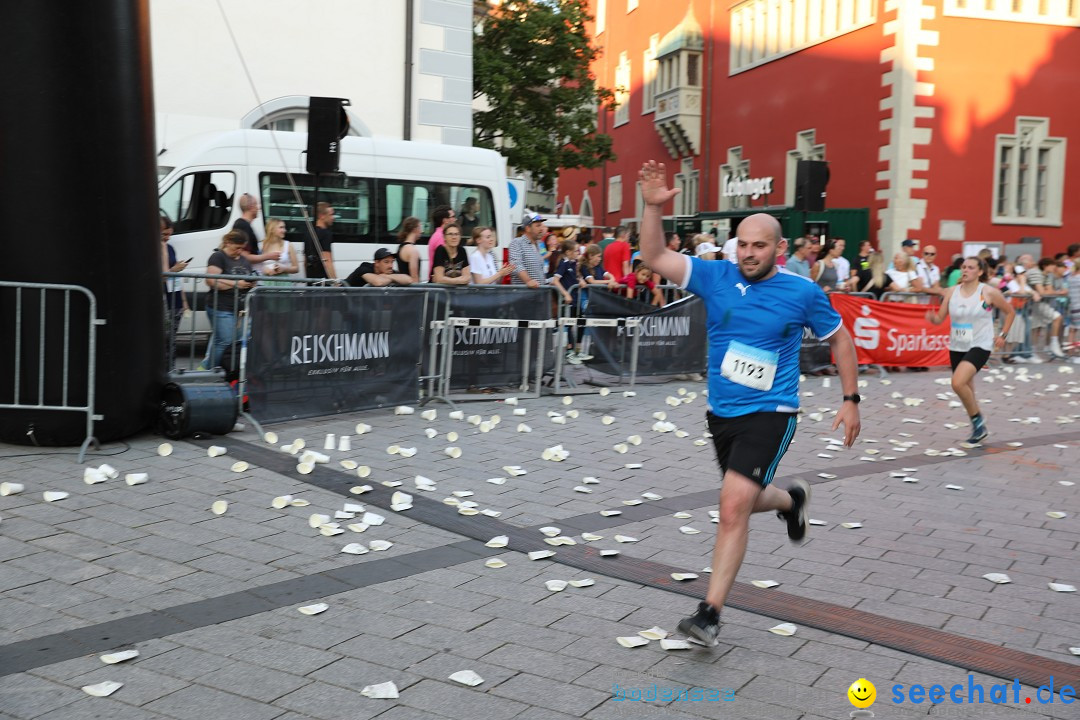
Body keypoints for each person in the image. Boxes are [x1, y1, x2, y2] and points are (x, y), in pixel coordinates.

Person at [637, 160, 860, 646]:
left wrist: (851, 399)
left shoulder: (802, 292)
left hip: (773, 412)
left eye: (760, 245)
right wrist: (652, 208)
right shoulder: (714, 276)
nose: (749, 253)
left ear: (780, 249)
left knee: (732, 505)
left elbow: (841, 341)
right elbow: (653, 255)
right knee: (747, 498)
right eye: (743, 243)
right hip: (722, 413)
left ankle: (709, 613)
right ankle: (790, 498)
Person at [925, 257, 1015, 446]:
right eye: (963, 267)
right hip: (957, 345)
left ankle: (978, 421)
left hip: (980, 345)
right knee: (968, 390)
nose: (965, 270)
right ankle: (978, 426)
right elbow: (941, 317)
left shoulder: (988, 292)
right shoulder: (951, 292)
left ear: (980, 272)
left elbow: (1010, 312)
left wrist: (1003, 335)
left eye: (970, 267)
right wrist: (932, 318)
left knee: (957, 383)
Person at [201, 231, 255, 371]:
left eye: (242, 248)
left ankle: (223, 372)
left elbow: (222, 281)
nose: (239, 251)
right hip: (221, 306)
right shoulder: (218, 256)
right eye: (236, 247)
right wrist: (237, 283)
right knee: (224, 342)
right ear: (228, 243)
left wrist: (250, 283)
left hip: (240, 309)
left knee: (236, 343)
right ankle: (211, 371)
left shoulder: (244, 260)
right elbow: (212, 281)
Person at [160, 215, 188, 362]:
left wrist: (183, 301)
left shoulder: (169, 247)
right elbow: (164, 275)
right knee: (165, 338)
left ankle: (170, 368)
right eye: (164, 234)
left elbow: (175, 277)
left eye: (169, 234)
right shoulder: (159, 248)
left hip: (174, 297)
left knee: (172, 337)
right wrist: (174, 268)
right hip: (163, 298)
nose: (167, 238)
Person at [233, 194, 277, 265]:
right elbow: (245, 256)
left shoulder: (243, 225)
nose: (259, 208)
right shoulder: (243, 226)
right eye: (257, 204)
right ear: (251, 207)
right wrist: (269, 256)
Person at [510, 212, 548, 288]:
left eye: (541, 225)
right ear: (528, 228)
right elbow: (516, 265)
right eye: (538, 226)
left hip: (538, 293)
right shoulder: (517, 242)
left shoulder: (539, 244)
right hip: (524, 294)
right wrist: (528, 281)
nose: (541, 229)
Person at [344, 248, 414, 287]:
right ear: (377, 263)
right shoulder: (364, 268)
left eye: (392, 262)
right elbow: (378, 282)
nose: (391, 266)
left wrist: (388, 277)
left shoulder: (388, 272)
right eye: (386, 262)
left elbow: (409, 280)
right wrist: (392, 278)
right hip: (344, 303)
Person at [304, 202, 337, 280]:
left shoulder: (308, 233)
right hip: (323, 282)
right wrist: (336, 283)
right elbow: (327, 261)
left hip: (311, 281)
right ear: (321, 216)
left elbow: (305, 261)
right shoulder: (326, 234)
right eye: (331, 215)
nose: (333, 218)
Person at [427, 205, 456, 271]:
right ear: (445, 220)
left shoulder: (438, 235)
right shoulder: (441, 237)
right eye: (453, 217)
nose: (455, 219)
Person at [395, 217, 422, 283]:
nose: (421, 231)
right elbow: (414, 278)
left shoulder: (400, 247)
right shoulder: (412, 250)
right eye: (420, 228)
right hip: (412, 291)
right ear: (415, 229)